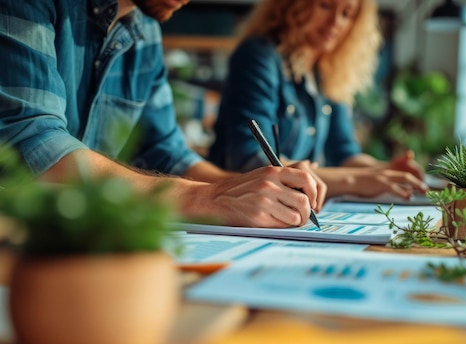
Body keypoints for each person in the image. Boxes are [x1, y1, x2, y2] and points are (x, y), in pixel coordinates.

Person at [0, 0, 324, 228]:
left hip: (82, 241)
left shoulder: (145, 29)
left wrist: (252, 187)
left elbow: (166, 152)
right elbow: (34, 144)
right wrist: (210, 198)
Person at [207, 0, 429, 200]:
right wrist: (355, 180)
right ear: (293, 6)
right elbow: (252, 161)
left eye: (347, 13)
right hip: (238, 205)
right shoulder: (259, 56)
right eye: (325, 6)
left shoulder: (327, 72)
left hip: (290, 206)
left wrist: (384, 170)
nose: (336, 22)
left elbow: (344, 153)